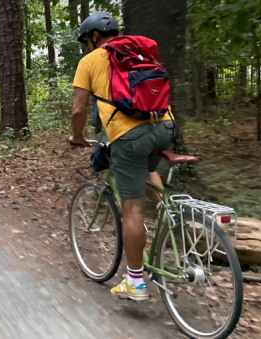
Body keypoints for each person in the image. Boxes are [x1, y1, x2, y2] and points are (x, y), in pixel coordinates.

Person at [68, 12, 174, 301]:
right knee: (147, 171)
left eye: (86, 41)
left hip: (129, 135)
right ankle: (173, 224)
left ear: (93, 37)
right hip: (165, 125)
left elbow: (79, 109)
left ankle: (136, 282)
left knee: (132, 209)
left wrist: (76, 137)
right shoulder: (139, 51)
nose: (86, 46)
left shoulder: (89, 61)